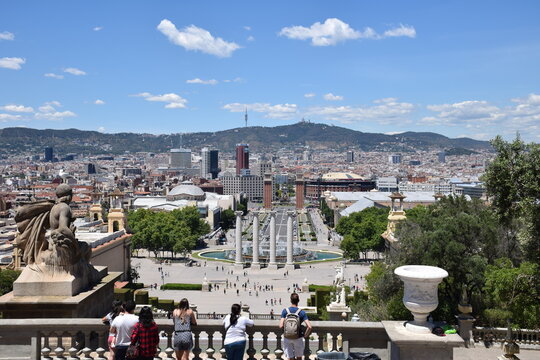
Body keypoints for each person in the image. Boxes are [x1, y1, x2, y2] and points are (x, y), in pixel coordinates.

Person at [279, 293, 312, 360]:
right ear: (298, 300)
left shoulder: (285, 311)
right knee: (299, 358)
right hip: (298, 337)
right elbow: (309, 327)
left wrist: (287, 331)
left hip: (287, 337)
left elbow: (281, 325)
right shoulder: (302, 312)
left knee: (290, 358)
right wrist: (305, 335)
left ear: (290, 300)